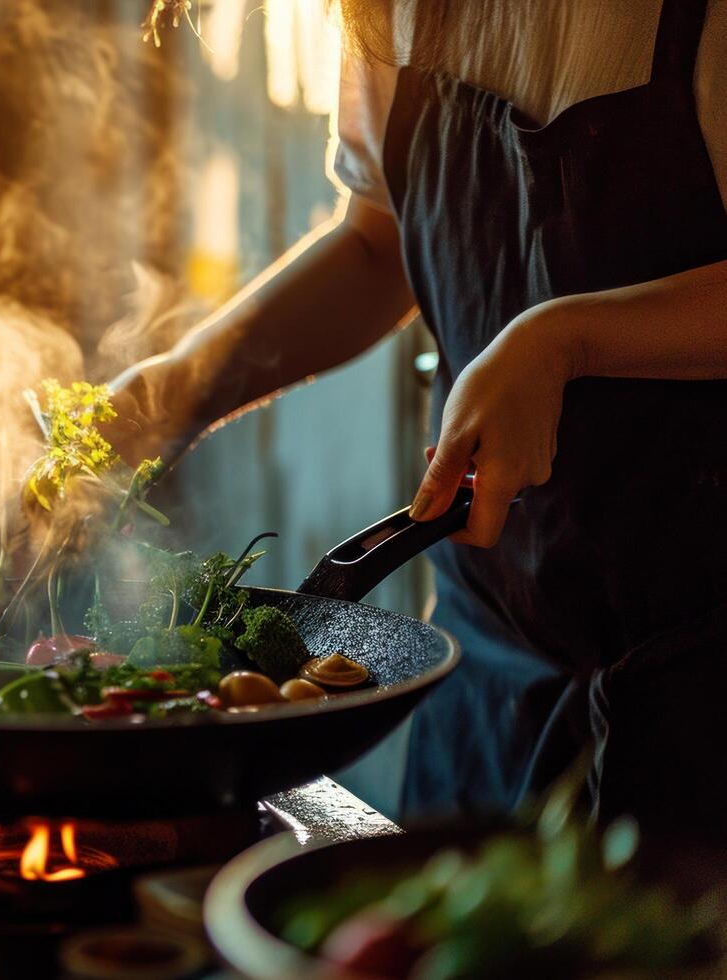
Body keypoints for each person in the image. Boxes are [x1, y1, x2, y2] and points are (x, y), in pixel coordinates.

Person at [111, 0, 727, 837]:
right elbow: (375, 242)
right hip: (487, 666)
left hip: (699, 686)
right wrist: (181, 385)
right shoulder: (392, 12)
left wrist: (564, 339)